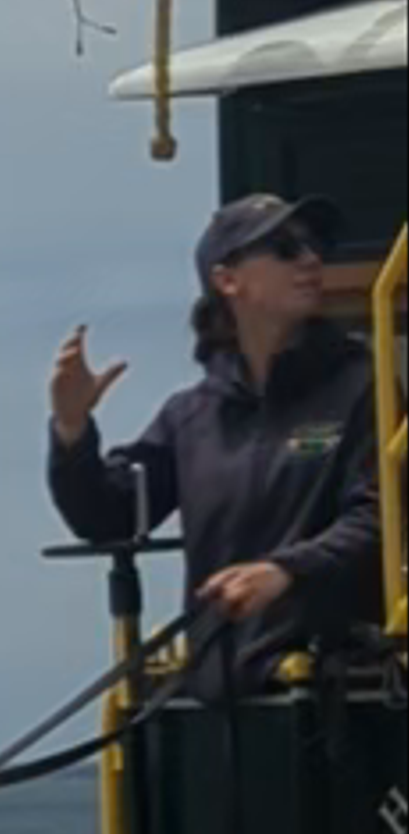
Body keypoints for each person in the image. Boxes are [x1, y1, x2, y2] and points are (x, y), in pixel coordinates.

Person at [45, 190, 386, 645]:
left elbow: (381, 515)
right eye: (286, 249)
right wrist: (72, 430)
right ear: (227, 281)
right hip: (223, 692)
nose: (309, 259)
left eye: (314, 247)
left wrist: (287, 571)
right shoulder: (190, 418)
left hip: (346, 690)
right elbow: (109, 518)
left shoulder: (364, 387)